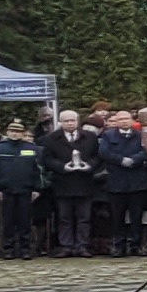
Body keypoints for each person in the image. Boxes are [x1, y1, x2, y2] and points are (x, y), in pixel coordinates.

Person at [42, 109, 100, 256]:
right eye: (66, 121)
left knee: (84, 217)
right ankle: (66, 246)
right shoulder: (51, 138)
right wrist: (62, 167)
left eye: (72, 120)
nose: (69, 123)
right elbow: (47, 159)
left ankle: (82, 246)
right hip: (63, 183)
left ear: (77, 121)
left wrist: (90, 166)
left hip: (84, 183)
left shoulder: (90, 137)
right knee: (64, 217)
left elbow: (98, 156)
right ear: (60, 122)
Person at [98, 111, 147, 256]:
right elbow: (104, 152)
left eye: (126, 118)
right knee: (117, 216)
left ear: (132, 120)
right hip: (116, 181)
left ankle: (136, 245)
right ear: (116, 122)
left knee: (137, 216)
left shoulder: (140, 135)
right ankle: (119, 245)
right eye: (120, 119)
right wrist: (121, 160)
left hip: (137, 180)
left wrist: (134, 160)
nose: (124, 121)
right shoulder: (108, 135)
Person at [0, 119, 43, 257]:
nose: (15, 134)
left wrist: (38, 189)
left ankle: (25, 249)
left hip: (26, 190)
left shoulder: (31, 149)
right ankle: (8, 249)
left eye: (18, 132)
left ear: (23, 133)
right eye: (12, 131)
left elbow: (39, 170)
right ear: (7, 132)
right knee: (8, 222)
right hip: (6, 191)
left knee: (25, 221)